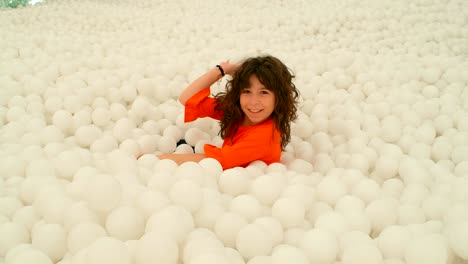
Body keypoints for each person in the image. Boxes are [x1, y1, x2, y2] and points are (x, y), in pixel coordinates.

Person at [148, 55, 299, 170]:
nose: (253, 102)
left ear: (279, 97)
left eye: (264, 92)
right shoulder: (238, 111)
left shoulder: (265, 136)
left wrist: (155, 160)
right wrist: (222, 70)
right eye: (247, 91)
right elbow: (186, 98)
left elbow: (214, 162)